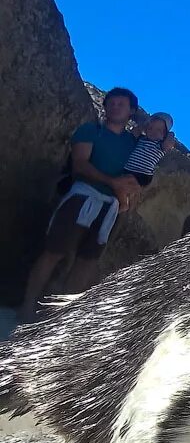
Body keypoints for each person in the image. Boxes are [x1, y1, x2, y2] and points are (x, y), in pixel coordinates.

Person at [19, 87, 143, 323]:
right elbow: (80, 164)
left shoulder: (132, 142)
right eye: (112, 103)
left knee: (87, 261)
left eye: (122, 104)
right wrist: (113, 182)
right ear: (105, 107)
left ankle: (59, 317)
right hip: (81, 198)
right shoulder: (90, 130)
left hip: (110, 208)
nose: (115, 106)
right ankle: (27, 305)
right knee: (53, 252)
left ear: (131, 112)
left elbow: (151, 151)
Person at [123, 111, 176, 187]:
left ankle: (121, 198)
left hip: (142, 174)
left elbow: (168, 145)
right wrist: (144, 124)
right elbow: (134, 131)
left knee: (126, 185)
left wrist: (171, 134)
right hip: (128, 169)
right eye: (150, 128)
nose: (153, 132)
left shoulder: (160, 146)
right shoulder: (141, 139)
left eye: (159, 130)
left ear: (165, 134)